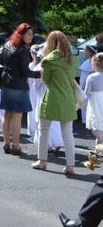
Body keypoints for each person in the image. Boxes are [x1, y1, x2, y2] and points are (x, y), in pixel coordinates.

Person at [32, 30, 77, 175]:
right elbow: (71, 80)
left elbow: (46, 80)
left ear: (50, 43)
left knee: (43, 129)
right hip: (68, 98)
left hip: (52, 97)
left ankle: (42, 161)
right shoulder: (72, 59)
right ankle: (70, 166)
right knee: (68, 132)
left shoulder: (48, 61)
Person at [0, 23, 41, 155]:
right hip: (18, 85)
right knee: (17, 116)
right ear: (21, 34)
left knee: (7, 114)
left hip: (6, 83)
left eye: (32, 34)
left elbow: (0, 60)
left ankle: (6, 144)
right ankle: (16, 146)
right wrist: (39, 74)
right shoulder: (22, 50)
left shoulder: (7, 45)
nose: (31, 36)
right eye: (28, 34)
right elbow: (26, 72)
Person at [28, 44, 64, 153]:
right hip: (55, 92)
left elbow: (36, 84)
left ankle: (48, 144)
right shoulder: (58, 64)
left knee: (42, 119)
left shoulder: (41, 66)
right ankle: (57, 141)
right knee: (54, 119)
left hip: (43, 93)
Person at [85, 53, 103, 145]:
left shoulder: (92, 77)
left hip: (96, 104)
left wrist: (79, 104)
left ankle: (100, 151)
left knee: (96, 130)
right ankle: (98, 153)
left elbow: (86, 94)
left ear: (95, 63)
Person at [80, 45, 97, 124]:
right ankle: (86, 120)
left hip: (88, 88)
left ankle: (88, 120)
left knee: (88, 104)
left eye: (86, 51)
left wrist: (82, 87)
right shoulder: (89, 61)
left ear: (90, 52)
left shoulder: (92, 62)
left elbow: (85, 79)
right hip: (85, 88)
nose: (84, 52)